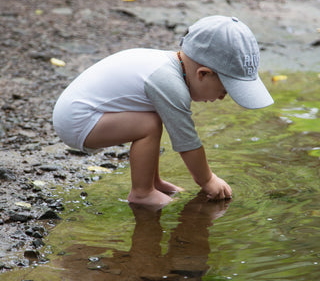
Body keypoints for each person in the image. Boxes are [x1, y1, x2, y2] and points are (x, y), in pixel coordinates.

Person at [52, 15, 274, 207]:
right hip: (77, 121)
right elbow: (187, 141)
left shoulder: (169, 66)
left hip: (78, 114)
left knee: (152, 119)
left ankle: (152, 182)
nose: (223, 97)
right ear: (203, 74)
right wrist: (208, 180)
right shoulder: (169, 83)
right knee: (149, 125)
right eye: (225, 90)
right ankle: (141, 192)